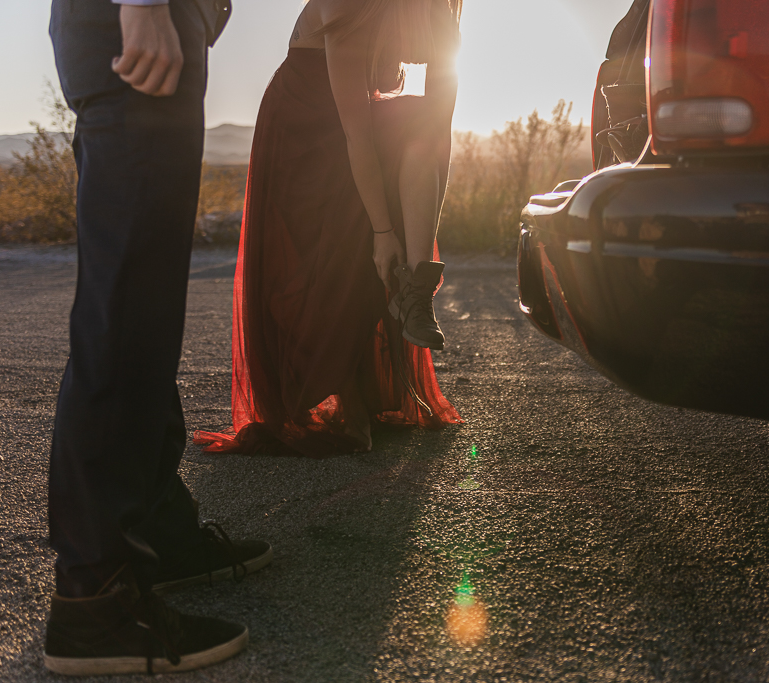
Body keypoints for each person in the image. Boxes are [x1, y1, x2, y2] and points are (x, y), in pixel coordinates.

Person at [45, 0, 272, 675]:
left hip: (162, 25)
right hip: (135, 23)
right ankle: (95, 598)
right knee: (124, 312)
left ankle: (153, 527)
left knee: (145, 308)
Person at [193, 0, 463, 458]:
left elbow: (442, 131)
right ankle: (345, 395)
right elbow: (355, 135)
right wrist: (383, 234)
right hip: (304, 129)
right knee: (335, 254)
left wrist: (414, 242)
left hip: (355, 123)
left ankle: (414, 292)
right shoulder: (351, 6)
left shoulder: (435, 11)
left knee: (426, 130)